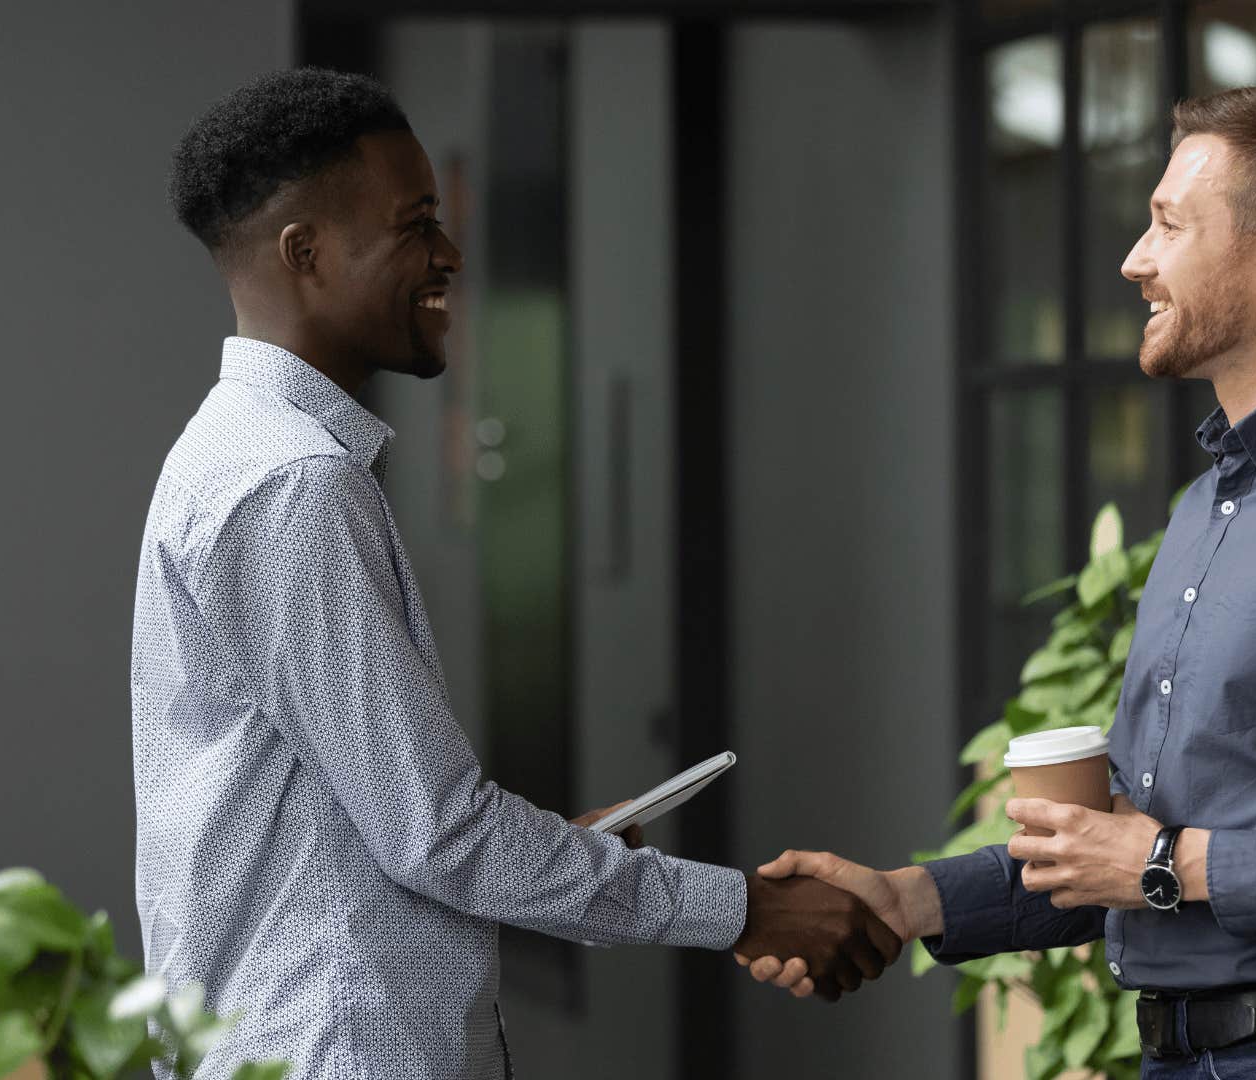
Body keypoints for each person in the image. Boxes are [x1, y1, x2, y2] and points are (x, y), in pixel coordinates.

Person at [742, 84, 1256, 1079]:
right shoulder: (1213, 504)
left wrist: (1174, 864)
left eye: (1169, 223)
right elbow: (1126, 853)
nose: (1135, 258)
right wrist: (907, 900)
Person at [131, 68, 899, 1080]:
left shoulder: (232, 453)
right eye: (415, 226)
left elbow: (372, 821)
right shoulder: (291, 487)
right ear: (305, 253)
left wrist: (545, 855)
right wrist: (746, 908)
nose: (449, 255)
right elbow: (438, 836)